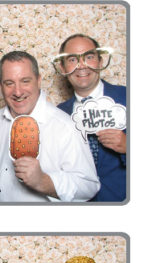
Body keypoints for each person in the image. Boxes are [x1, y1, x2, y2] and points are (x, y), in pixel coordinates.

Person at [0, 51, 100, 203]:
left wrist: (44, 181)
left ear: (39, 81)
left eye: (25, 81)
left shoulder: (65, 126)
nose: (18, 91)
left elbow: (89, 186)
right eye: (9, 83)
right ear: (1, 85)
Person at [54, 33, 127, 202]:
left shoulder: (128, 97)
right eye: (72, 59)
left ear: (100, 61)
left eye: (89, 57)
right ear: (63, 68)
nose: (81, 66)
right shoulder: (59, 114)